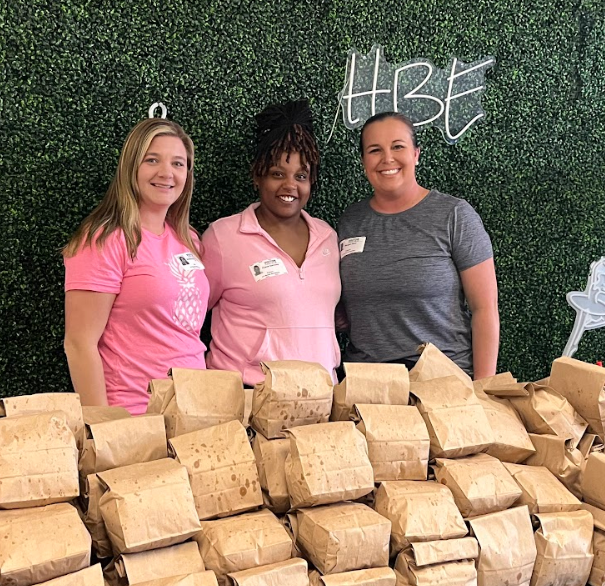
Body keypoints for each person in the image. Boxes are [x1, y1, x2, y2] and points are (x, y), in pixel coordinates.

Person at [338, 111, 499, 379]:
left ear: (416, 154)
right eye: (375, 150)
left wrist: (483, 389)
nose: (387, 158)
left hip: (442, 380)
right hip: (367, 383)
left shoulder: (454, 215)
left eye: (398, 147)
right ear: (364, 162)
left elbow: (485, 309)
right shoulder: (350, 222)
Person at [63, 118, 208, 413]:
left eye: (178, 164)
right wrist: (104, 424)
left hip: (195, 411)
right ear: (131, 167)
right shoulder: (104, 241)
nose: (166, 173)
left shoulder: (188, 239)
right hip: (135, 414)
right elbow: (79, 344)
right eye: (152, 160)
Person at [202, 100, 341, 385]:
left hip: (321, 396)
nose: (290, 186)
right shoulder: (223, 237)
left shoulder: (328, 237)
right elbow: (192, 313)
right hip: (247, 395)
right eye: (277, 174)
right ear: (257, 176)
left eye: (300, 176)